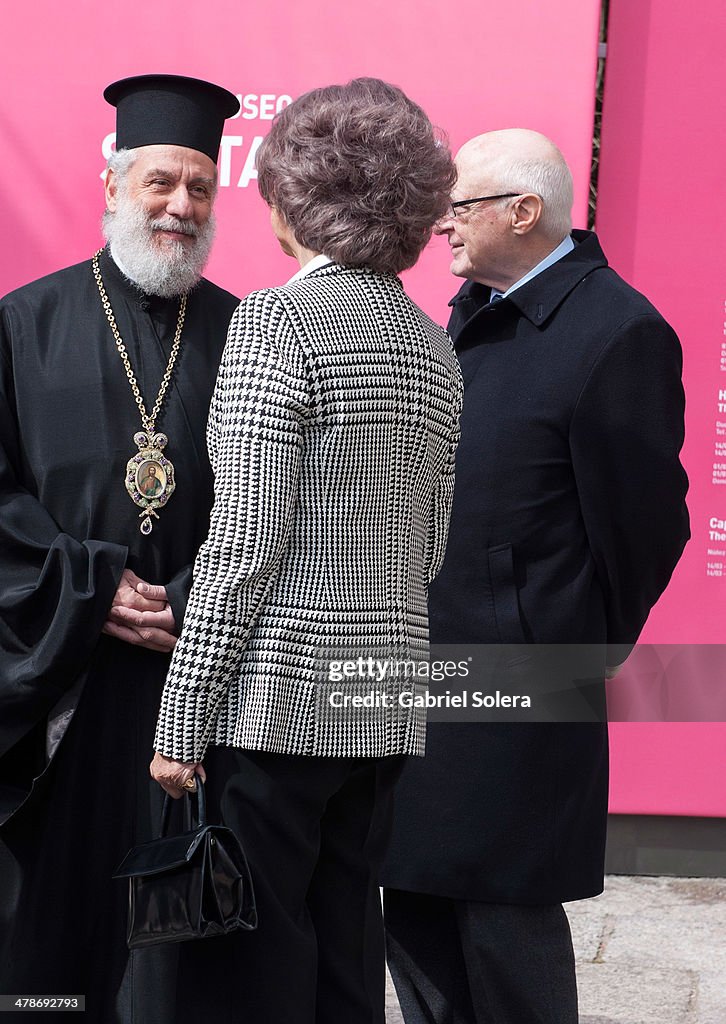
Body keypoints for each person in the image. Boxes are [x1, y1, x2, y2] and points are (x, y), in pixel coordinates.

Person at [148, 77, 463, 1024]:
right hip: (384, 698)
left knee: (256, 963)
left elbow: (244, 544)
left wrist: (180, 717)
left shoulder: (277, 324)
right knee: (346, 947)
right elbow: (431, 547)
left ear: (293, 200)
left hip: (277, 702)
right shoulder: (432, 345)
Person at [381, 129, 690, 1024]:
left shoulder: (616, 329)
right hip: (424, 663)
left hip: (523, 677)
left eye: (460, 207)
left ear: (524, 211)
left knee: (503, 923)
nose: (444, 225)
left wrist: (561, 640)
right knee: (416, 906)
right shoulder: (471, 310)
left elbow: (644, 525)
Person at [0, 75, 240, 1022]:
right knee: (48, 946)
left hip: (194, 675)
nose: (180, 206)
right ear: (112, 187)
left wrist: (187, 591)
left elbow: (276, 500)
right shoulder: (25, 324)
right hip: (59, 682)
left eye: (199, 188)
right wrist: (91, 588)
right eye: (159, 184)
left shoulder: (242, 330)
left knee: (171, 953)